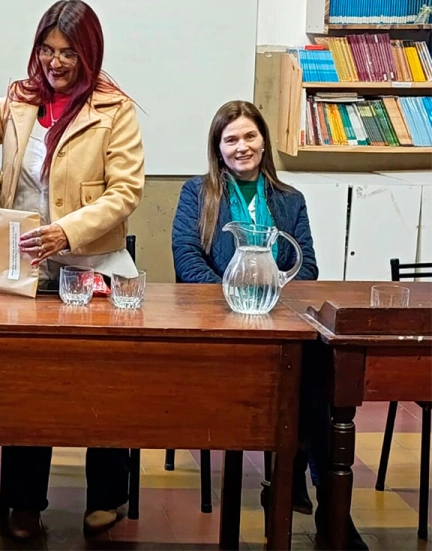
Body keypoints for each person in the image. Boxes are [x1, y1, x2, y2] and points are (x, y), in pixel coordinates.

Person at [0, 0, 145, 541]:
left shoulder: (113, 111)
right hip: (24, 269)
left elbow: (126, 191)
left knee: (101, 384)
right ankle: (24, 502)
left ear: (88, 53)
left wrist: (67, 231)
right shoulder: (18, 103)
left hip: (91, 268)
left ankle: (108, 497)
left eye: (68, 52)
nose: (56, 62)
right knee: (28, 384)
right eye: (47, 50)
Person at [171, 100, 366, 551]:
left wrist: (270, 292)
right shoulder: (196, 194)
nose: (242, 147)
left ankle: (328, 508)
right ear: (218, 149)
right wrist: (238, 293)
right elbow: (186, 262)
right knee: (302, 388)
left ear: (264, 141)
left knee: (318, 370)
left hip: (281, 325)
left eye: (250, 136)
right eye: (231, 139)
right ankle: (295, 477)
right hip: (220, 327)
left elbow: (309, 267)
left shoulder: (289, 199)